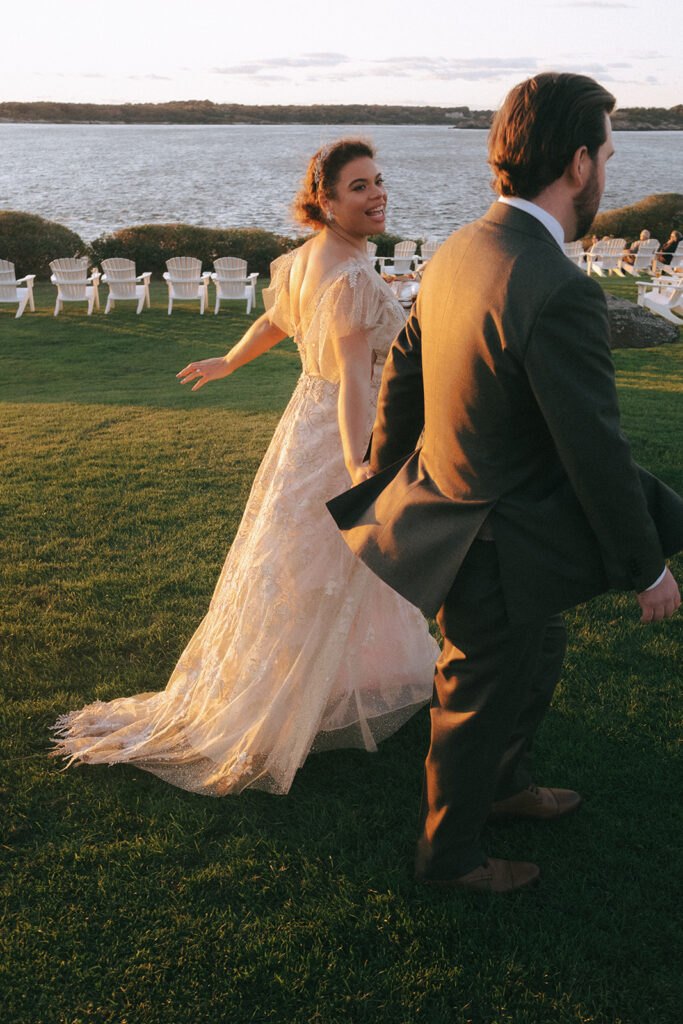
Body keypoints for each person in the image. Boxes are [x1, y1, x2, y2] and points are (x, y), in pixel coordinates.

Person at [328, 74, 683, 892]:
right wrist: (646, 569)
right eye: (606, 153)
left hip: (472, 519)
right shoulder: (558, 288)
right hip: (488, 536)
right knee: (473, 693)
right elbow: (593, 448)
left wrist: (388, 479)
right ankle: (449, 861)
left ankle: (503, 785)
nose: (607, 171)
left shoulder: (461, 245)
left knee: (541, 644)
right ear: (576, 161)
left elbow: (403, 377)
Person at [52, 139, 439, 795]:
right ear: (324, 201)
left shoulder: (303, 262)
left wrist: (227, 362)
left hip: (303, 426)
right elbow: (350, 381)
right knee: (324, 566)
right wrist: (359, 465)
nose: (376, 195)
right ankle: (292, 699)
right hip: (342, 430)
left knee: (307, 568)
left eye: (378, 181)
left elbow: (274, 324)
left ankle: (348, 680)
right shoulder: (345, 277)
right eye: (357, 187)